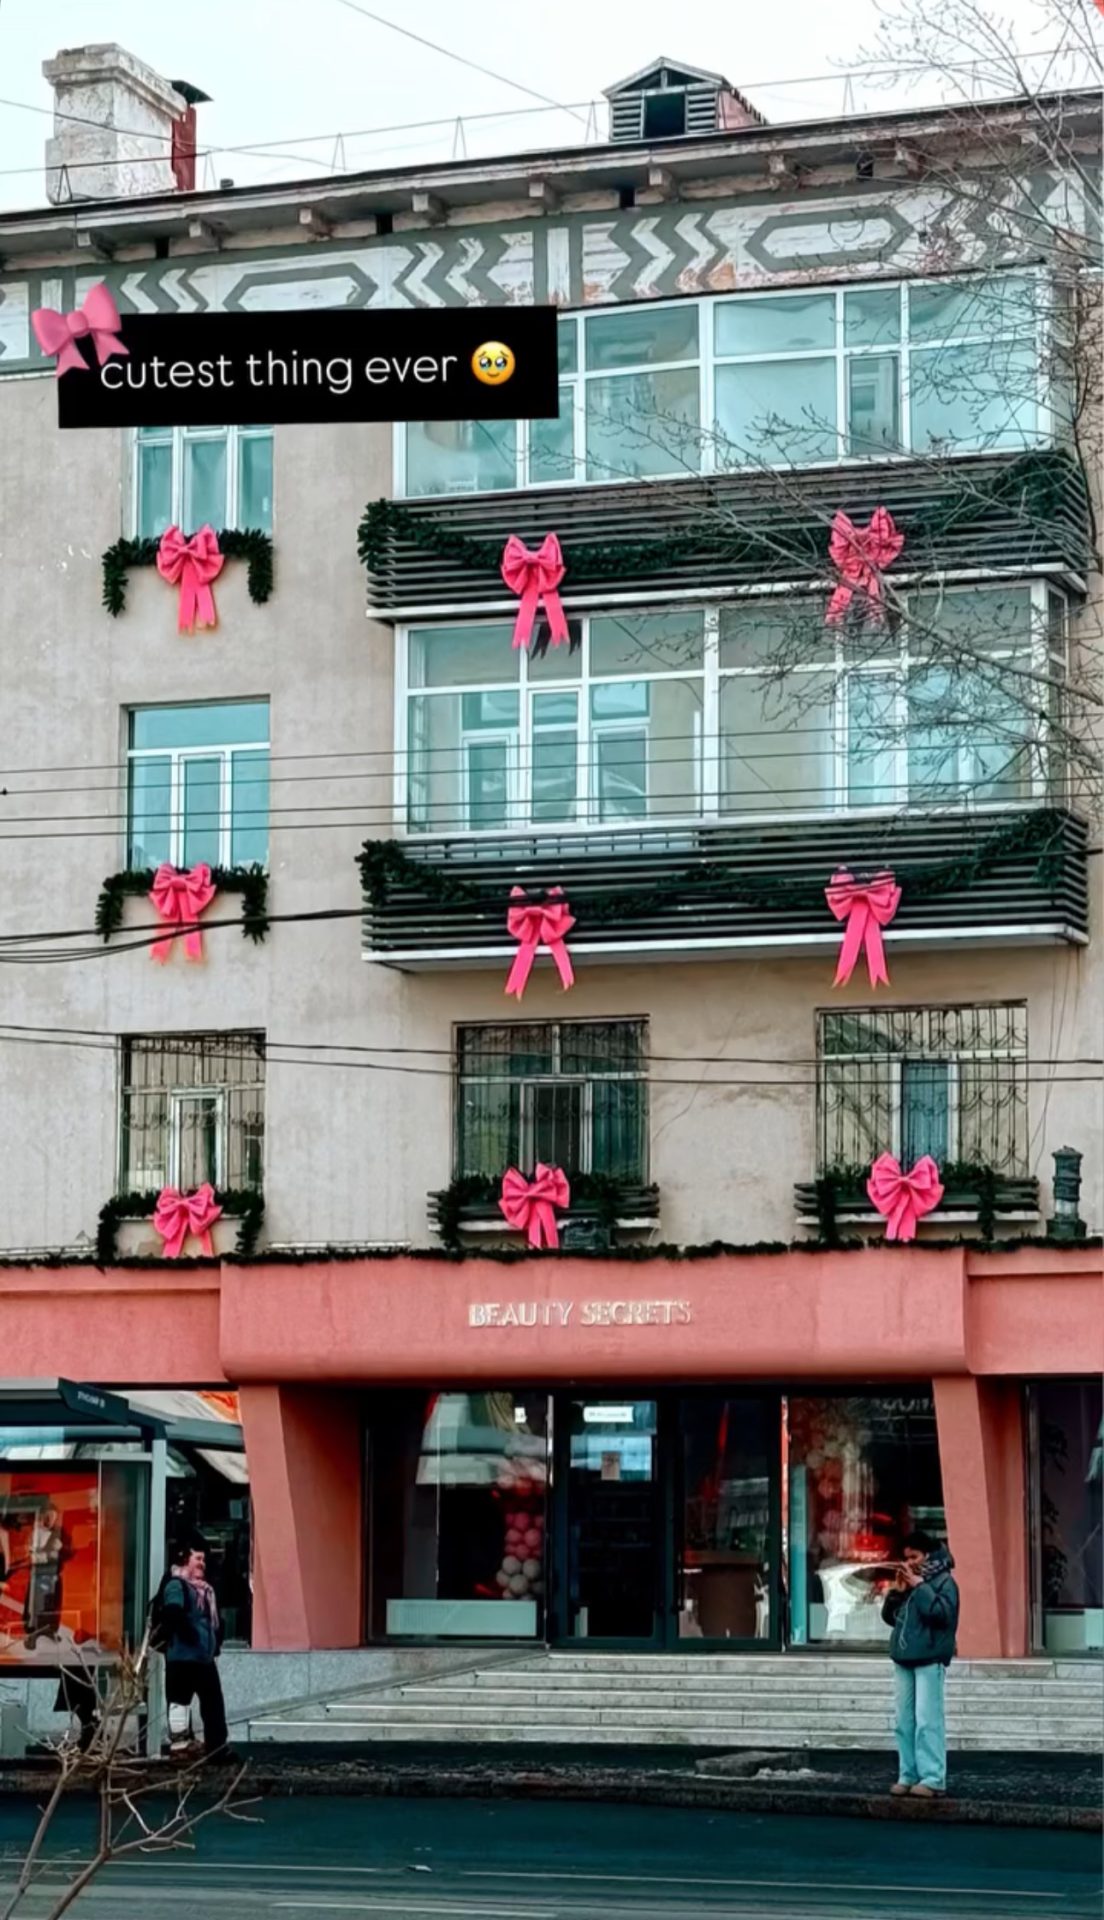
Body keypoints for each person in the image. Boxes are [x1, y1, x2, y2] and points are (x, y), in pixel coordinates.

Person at [882, 1528, 960, 1798]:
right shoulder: (914, 1583)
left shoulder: (944, 1583)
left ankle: (932, 1777)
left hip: (929, 1657)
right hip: (905, 1658)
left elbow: (942, 1615)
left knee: (928, 1720)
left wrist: (919, 1586)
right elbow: (892, 1618)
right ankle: (908, 1773)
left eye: (914, 1556)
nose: (910, 1562)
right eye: (906, 1557)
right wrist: (897, 1592)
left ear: (927, 1554)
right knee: (904, 1720)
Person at [155, 1540, 229, 1761]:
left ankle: (216, 1747)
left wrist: (214, 1643)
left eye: (203, 1559)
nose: (202, 1563)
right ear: (184, 1560)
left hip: (203, 1657)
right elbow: (173, 1613)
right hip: (183, 1657)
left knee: (213, 1703)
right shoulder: (176, 1586)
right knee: (180, 1702)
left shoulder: (206, 1592)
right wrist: (189, 1634)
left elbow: (211, 1623)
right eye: (198, 1558)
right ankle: (180, 1748)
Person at [24, 1503, 69, 1650]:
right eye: (48, 1516)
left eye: (53, 1517)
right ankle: (32, 1634)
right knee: (35, 1605)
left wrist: (62, 1548)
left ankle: (51, 1631)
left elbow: (69, 1553)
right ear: (42, 1516)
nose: (50, 1520)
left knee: (52, 1605)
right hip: (38, 1576)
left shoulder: (60, 1534)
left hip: (53, 1576)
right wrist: (44, 1555)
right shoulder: (33, 1534)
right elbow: (29, 1555)